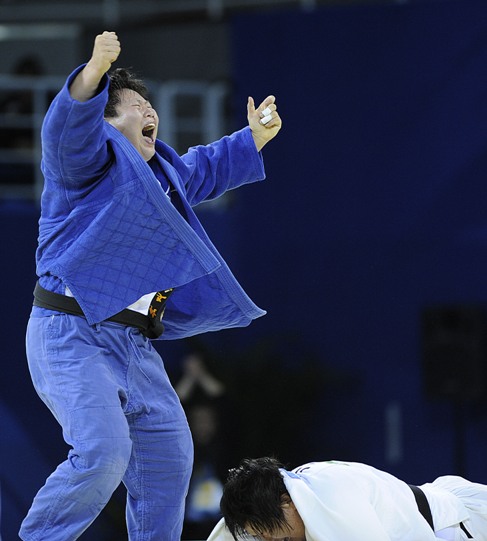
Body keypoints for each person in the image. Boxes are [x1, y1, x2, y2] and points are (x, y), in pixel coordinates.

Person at [20, 30, 281, 541]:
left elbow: (204, 166)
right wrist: (95, 70)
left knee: (169, 460)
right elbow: (66, 129)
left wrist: (253, 139)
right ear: (105, 122)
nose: (149, 112)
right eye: (135, 106)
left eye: (149, 105)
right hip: (71, 332)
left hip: (135, 344)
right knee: (103, 452)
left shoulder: (164, 174)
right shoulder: (81, 168)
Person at [208, 457, 487, 541]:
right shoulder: (272, 496)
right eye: (259, 535)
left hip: (462, 523)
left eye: (270, 532)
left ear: (287, 503)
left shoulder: (332, 500)